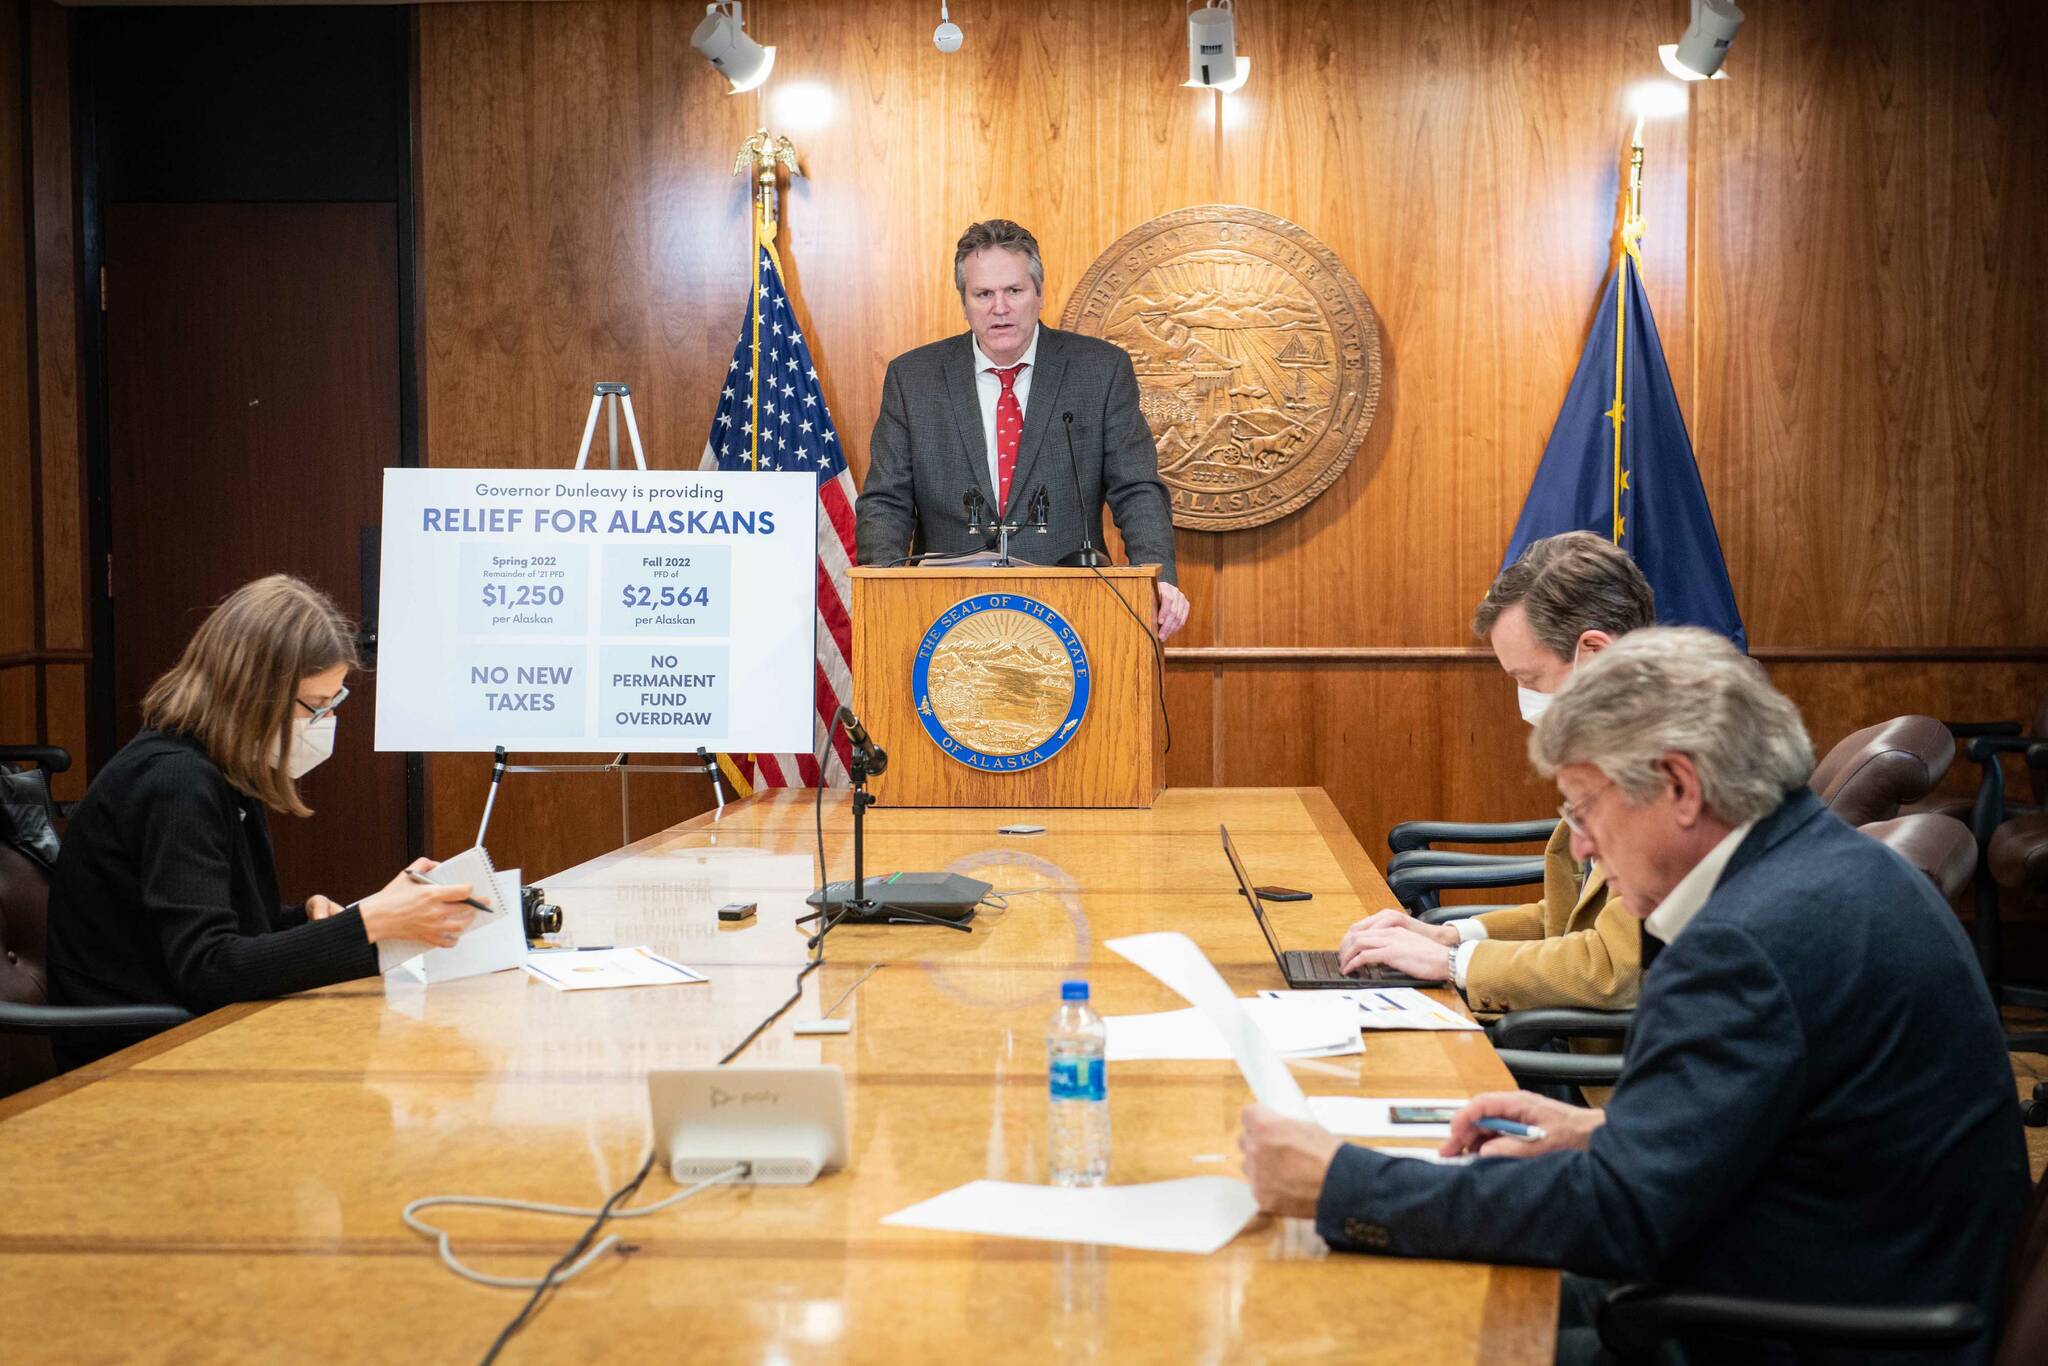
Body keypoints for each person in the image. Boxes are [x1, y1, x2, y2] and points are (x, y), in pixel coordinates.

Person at [1240, 629, 2029, 1364]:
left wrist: (1341, 1181)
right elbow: (1796, 1126)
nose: (1580, 845)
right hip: (1857, 1277)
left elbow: (1618, 1217)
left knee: (1360, 1327)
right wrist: (1603, 1130)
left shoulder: (1742, 941)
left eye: (1584, 810)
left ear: (1680, 786)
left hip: (1809, 1330)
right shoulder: (1832, 869)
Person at [48, 575, 480, 1068]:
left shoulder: (223, 769)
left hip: (193, 1030)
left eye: (333, 705)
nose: (324, 723)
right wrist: (371, 924)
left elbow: (235, 929)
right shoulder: (176, 781)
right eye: (316, 706)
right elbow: (208, 968)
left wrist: (317, 918)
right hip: (137, 1056)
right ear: (254, 693)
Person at [1335, 532, 1649, 1015]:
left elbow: (1613, 968)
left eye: (1530, 680)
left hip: (1605, 1077)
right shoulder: (1612, 748)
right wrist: (1449, 934)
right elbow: (1574, 919)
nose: (1524, 700)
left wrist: (1454, 962)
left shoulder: (1667, 774)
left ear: (1595, 652)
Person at [855, 218, 1191, 639]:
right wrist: (882, 586)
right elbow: (886, 501)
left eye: (1014, 291)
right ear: (964, 302)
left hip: (1073, 610)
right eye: (983, 294)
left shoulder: (1100, 371)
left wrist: (1157, 575)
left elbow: (1137, 488)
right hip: (944, 613)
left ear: (1039, 295)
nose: (1000, 307)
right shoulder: (913, 378)